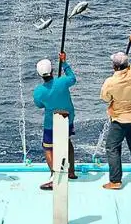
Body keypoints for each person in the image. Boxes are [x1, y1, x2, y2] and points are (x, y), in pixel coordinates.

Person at [100, 35, 131, 190]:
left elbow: (105, 98)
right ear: (127, 64)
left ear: (114, 67)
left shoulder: (110, 82)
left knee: (112, 147)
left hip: (120, 120)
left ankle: (115, 181)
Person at [33, 52, 78, 190]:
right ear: (52, 70)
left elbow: (39, 105)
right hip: (67, 119)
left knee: (48, 148)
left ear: (40, 75)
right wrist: (64, 62)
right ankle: (71, 172)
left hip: (51, 123)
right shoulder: (63, 82)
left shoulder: (38, 91)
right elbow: (72, 78)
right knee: (67, 142)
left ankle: (55, 176)